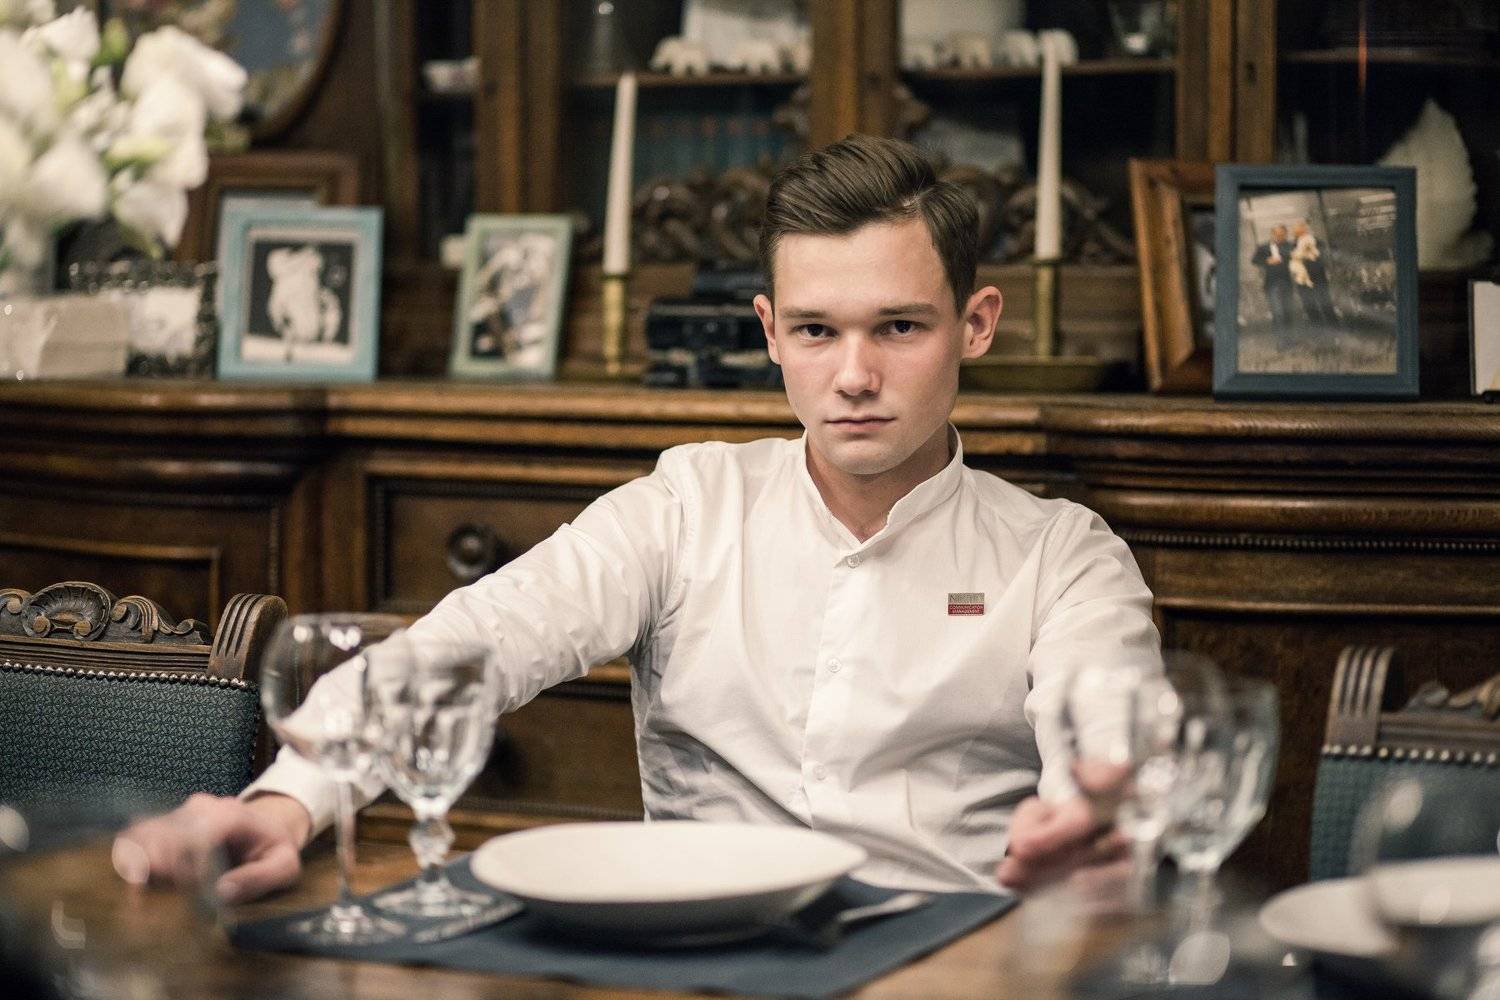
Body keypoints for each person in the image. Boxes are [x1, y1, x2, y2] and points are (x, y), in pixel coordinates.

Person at [114, 135, 1159, 902]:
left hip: (950, 962)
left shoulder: (1062, 557)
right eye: (815, 330)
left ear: (976, 324)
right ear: (769, 332)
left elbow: (1111, 728)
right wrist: (289, 800)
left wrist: (1099, 815)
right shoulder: (688, 505)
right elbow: (477, 639)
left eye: (898, 327)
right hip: (692, 961)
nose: (853, 375)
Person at [1250, 224, 1296, 343]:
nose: (1279, 236)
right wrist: (1267, 260)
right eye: (1277, 234)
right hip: (1272, 284)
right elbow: (1254, 260)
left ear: (1286, 234)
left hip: (1287, 282)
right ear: (1272, 234)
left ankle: (1290, 339)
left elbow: (1296, 257)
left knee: (1288, 312)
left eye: (1282, 234)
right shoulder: (1263, 247)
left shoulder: (1290, 246)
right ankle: (1281, 341)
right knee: (1277, 312)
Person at [1290, 220, 1338, 329]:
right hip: (1302, 277)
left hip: (1317, 275)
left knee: (1324, 300)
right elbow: (1292, 260)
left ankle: (1333, 326)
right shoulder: (1292, 245)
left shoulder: (1317, 242)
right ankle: (1317, 327)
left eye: (1297, 229)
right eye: (1294, 230)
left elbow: (1323, 256)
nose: (1295, 231)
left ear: (1304, 229)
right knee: (1308, 302)